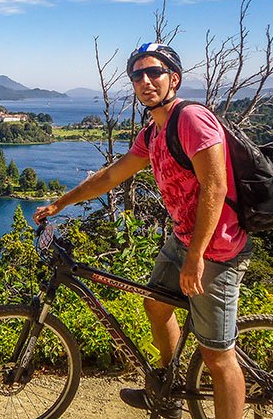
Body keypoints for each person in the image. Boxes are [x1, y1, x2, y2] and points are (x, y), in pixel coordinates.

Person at [33, 42, 252, 419]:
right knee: (155, 305)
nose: (145, 81)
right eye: (137, 75)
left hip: (217, 249)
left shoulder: (191, 120)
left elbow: (215, 187)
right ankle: (168, 390)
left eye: (155, 72)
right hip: (183, 238)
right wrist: (61, 203)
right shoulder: (154, 133)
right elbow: (111, 176)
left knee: (217, 356)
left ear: (174, 79)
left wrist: (197, 256)